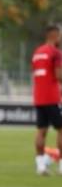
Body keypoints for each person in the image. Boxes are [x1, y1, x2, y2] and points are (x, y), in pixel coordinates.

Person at [31, 24, 62, 176]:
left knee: (41, 131)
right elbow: (59, 76)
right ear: (55, 35)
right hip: (53, 97)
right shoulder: (56, 53)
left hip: (39, 97)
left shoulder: (37, 52)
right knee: (61, 129)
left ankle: (40, 166)